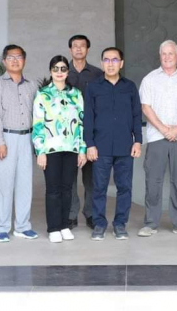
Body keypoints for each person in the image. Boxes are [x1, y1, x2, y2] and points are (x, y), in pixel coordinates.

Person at [138, 40, 177, 238]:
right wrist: (164, 129)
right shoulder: (149, 79)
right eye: (164, 53)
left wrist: (176, 129)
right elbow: (146, 107)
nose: (167, 57)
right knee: (153, 181)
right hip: (157, 137)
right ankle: (150, 223)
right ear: (160, 56)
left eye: (171, 53)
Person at [84, 47, 142, 241]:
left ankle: (120, 224)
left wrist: (138, 141)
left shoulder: (130, 87)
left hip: (125, 146)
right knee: (99, 188)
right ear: (102, 63)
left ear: (121, 63)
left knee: (124, 187)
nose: (110, 64)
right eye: (107, 60)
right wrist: (89, 144)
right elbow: (88, 118)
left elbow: (136, 116)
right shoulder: (93, 87)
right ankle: (99, 224)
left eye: (114, 60)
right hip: (100, 147)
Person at [32, 55, 88, 243]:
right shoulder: (43, 94)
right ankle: (54, 227)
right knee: (53, 189)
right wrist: (40, 151)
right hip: (51, 149)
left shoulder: (76, 94)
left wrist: (82, 149)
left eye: (63, 68)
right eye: (55, 68)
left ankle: (64, 225)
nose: (59, 72)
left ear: (67, 71)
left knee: (67, 189)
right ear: (50, 71)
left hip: (71, 149)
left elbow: (81, 123)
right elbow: (38, 124)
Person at [0, 45, 39, 242]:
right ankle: (1, 227)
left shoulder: (31, 86)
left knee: (25, 184)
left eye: (19, 57)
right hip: (6, 138)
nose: (15, 60)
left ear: (24, 60)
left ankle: (22, 226)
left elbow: (38, 114)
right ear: (4, 61)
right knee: (4, 185)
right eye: (11, 57)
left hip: (27, 138)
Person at [66, 34, 102, 230]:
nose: (78, 49)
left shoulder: (97, 74)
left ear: (88, 49)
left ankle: (90, 213)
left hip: (92, 133)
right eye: (75, 46)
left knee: (91, 178)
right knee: (69, 177)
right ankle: (71, 214)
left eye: (82, 46)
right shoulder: (63, 72)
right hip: (68, 134)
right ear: (70, 49)